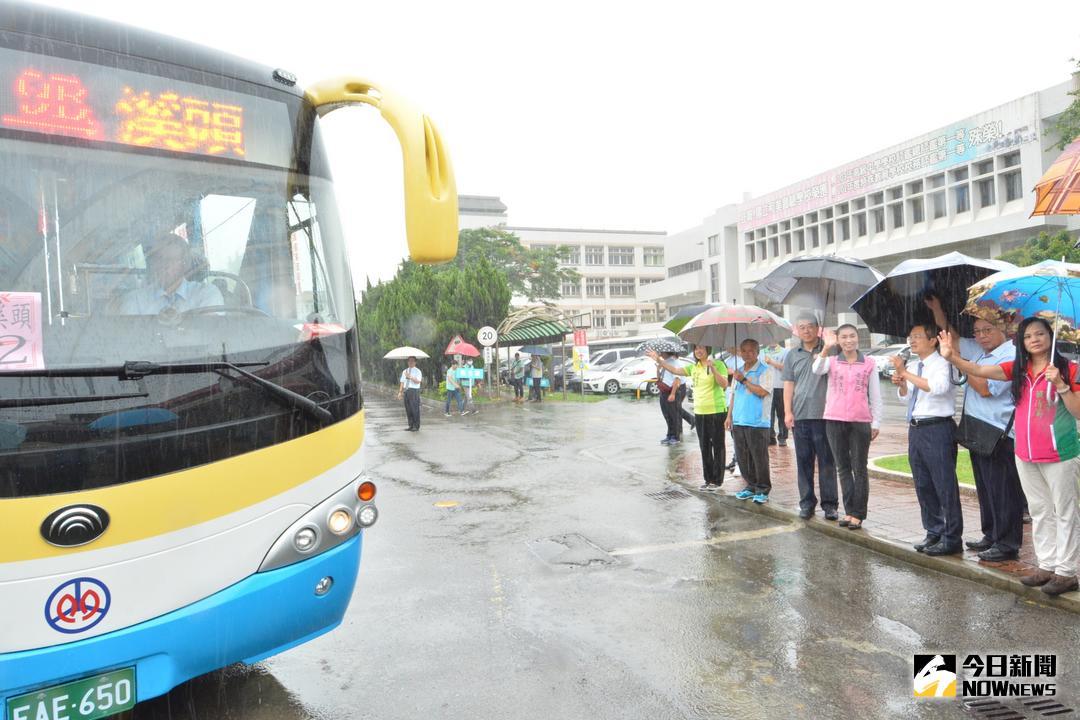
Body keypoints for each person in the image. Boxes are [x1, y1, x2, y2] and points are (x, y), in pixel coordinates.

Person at [940, 319, 1080, 595]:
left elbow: (1077, 412)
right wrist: (952, 357)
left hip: (1060, 452)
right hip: (1025, 452)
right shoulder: (1019, 369)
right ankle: (1047, 565)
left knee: (1065, 512)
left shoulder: (1069, 369)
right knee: (1040, 511)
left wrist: (1061, 385)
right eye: (1028, 336)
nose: (1034, 339)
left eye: (1040, 334)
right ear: (1022, 342)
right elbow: (980, 370)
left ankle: (1066, 572)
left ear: (1050, 336)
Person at [926, 297, 1024, 562]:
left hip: (1000, 433)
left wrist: (957, 360)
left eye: (987, 330)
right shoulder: (980, 351)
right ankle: (991, 535)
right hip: (978, 430)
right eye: (978, 331)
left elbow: (984, 388)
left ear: (1003, 329)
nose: (981, 336)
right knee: (985, 488)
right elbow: (953, 339)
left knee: (1003, 490)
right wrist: (937, 310)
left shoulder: (1010, 355)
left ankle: (1007, 543)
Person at [890, 321, 963, 556]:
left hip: (938, 428)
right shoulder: (915, 365)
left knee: (944, 484)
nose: (912, 341)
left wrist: (904, 373)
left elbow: (937, 388)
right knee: (923, 484)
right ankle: (933, 531)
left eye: (917, 336)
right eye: (910, 337)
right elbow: (906, 398)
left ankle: (952, 537)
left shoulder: (944, 363)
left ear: (933, 340)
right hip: (916, 428)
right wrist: (902, 383)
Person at [812, 325, 883, 530]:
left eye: (852, 336)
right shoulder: (832, 361)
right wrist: (826, 348)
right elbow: (816, 369)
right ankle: (850, 511)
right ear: (838, 340)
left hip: (860, 422)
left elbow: (875, 396)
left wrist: (876, 422)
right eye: (844, 337)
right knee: (842, 467)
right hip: (834, 419)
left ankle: (859, 513)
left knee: (859, 468)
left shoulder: (869, 363)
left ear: (857, 338)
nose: (848, 340)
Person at [649, 345, 729, 492]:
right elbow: (675, 370)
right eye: (696, 348)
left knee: (718, 446)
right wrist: (659, 360)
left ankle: (717, 481)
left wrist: (713, 369)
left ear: (708, 350)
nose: (698, 351)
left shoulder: (718, 364)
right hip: (700, 412)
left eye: (701, 348)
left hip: (716, 411)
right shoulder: (694, 367)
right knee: (704, 446)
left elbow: (724, 384)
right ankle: (708, 479)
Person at [784, 314, 839, 520]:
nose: (806, 330)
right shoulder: (792, 355)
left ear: (818, 329)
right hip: (800, 416)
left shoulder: (831, 350)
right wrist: (787, 412)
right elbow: (788, 384)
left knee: (827, 462)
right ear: (797, 331)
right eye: (802, 327)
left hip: (826, 415)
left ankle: (830, 505)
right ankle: (807, 503)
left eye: (810, 326)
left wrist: (829, 346)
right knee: (804, 462)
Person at [116, 232, 223, 314]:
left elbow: (210, 332)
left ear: (184, 264)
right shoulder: (135, 300)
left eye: (171, 260)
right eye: (159, 259)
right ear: (153, 264)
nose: (165, 265)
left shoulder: (206, 294)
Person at [727, 339, 773, 503]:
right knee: (743, 457)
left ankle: (763, 489)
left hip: (757, 422)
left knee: (759, 458)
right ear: (740, 352)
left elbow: (762, 392)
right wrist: (729, 416)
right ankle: (751, 486)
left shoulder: (765, 370)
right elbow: (733, 395)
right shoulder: (738, 371)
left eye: (751, 351)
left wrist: (744, 380)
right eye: (744, 351)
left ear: (757, 352)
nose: (747, 354)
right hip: (739, 420)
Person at [762, 342, 789, 446]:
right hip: (766, 387)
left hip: (781, 386)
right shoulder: (761, 352)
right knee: (768, 413)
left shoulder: (785, 352)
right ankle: (770, 436)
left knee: (782, 413)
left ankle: (782, 437)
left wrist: (772, 362)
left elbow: (787, 368)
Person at [656, 350, 685, 445]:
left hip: (671, 391)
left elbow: (677, 379)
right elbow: (659, 378)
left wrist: (673, 394)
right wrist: (658, 369)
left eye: (661, 352)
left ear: (667, 352)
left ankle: (676, 437)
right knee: (667, 415)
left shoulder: (674, 363)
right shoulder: (665, 362)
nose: (660, 354)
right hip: (664, 391)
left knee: (674, 416)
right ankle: (669, 435)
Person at [398, 356, 423, 431]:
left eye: (412, 361)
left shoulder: (418, 371)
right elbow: (402, 382)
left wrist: (410, 377)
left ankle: (416, 426)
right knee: (408, 409)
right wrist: (400, 392)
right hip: (406, 391)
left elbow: (418, 381)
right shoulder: (405, 371)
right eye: (409, 361)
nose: (410, 362)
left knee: (414, 409)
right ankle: (411, 425)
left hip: (414, 391)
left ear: (415, 362)